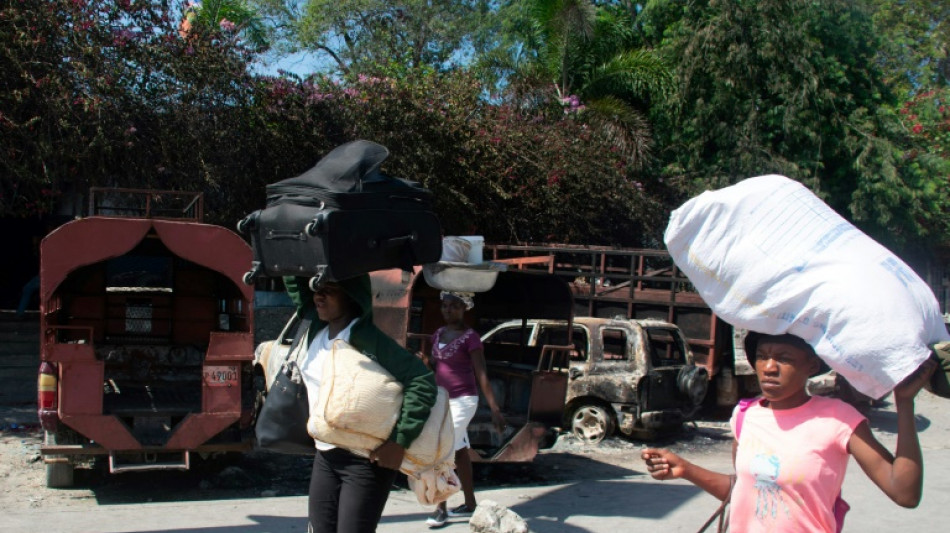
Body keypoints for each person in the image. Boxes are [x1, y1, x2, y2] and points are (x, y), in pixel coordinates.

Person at [641, 332, 937, 533]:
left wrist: (905, 405)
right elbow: (749, 489)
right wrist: (685, 469)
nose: (769, 367)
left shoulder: (839, 419)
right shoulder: (745, 415)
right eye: (762, 356)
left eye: (784, 357)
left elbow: (904, 492)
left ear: (811, 365)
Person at [284, 274, 437, 533]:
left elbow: (422, 381)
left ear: (351, 296)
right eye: (316, 288)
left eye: (329, 289)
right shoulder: (316, 329)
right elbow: (294, 282)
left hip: (365, 461)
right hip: (326, 455)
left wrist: (399, 441)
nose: (319, 296)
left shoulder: (364, 337)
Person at [424, 291, 506, 528]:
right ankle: (470, 503)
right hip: (442, 400)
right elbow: (436, 366)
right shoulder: (438, 334)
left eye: (454, 306)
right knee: (459, 452)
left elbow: (481, 373)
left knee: (442, 449)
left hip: (463, 400)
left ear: (464, 308)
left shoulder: (471, 338)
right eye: (445, 306)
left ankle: (440, 508)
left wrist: (494, 408)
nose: (448, 310)